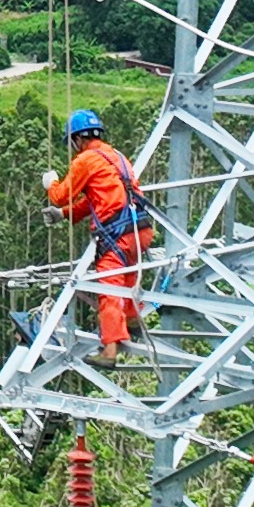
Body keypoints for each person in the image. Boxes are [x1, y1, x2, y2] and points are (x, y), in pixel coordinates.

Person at [46, 107, 150, 351]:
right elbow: (97, 200)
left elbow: (61, 195)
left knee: (110, 289)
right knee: (128, 279)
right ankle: (134, 321)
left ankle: (111, 349)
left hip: (117, 233)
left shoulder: (86, 159)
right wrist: (63, 215)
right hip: (139, 230)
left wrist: (50, 182)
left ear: (77, 138)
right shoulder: (117, 156)